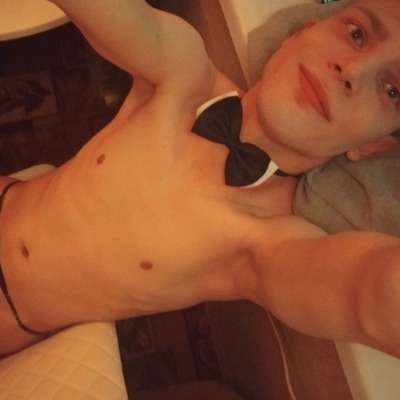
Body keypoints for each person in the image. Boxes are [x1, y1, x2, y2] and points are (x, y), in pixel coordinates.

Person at [1, 0, 400, 358]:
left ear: (371, 146)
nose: (352, 70)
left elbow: (371, 297)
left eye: (393, 90)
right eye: (357, 33)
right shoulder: (183, 71)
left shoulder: (266, 239)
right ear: (298, 34)